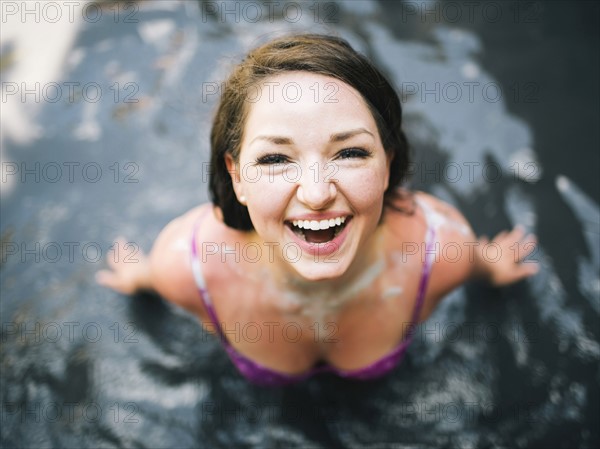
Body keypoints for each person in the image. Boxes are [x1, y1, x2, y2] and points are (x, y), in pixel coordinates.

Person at [95, 34, 538, 386]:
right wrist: (140, 275)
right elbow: (153, 275)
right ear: (236, 176)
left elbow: (468, 259)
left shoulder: (439, 251)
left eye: (349, 153)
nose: (316, 193)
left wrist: (488, 265)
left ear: (388, 162)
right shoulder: (186, 268)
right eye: (274, 159)